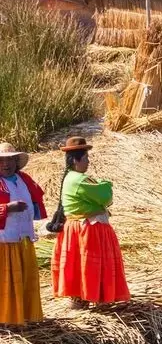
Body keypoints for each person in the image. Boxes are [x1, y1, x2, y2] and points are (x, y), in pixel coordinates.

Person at [52, 136, 130, 306]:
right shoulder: (79, 180)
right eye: (86, 158)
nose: (88, 162)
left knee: (81, 265)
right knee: (89, 266)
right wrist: (104, 184)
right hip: (86, 229)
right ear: (75, 160)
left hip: (79, 227)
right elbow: (105, 196)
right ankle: (88, 298)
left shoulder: (71, 178)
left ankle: (82, 299)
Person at [0, 142, 46, 326]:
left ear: (16, 162)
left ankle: (21, 316)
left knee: (23, 279)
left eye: (10, 160)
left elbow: (36, 201)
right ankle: (4, 318)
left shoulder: (24, 179)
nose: (6, 164)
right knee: (5, 281)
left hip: (24, 238)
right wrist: (7, 208)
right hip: (3, 242)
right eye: (1, 160)